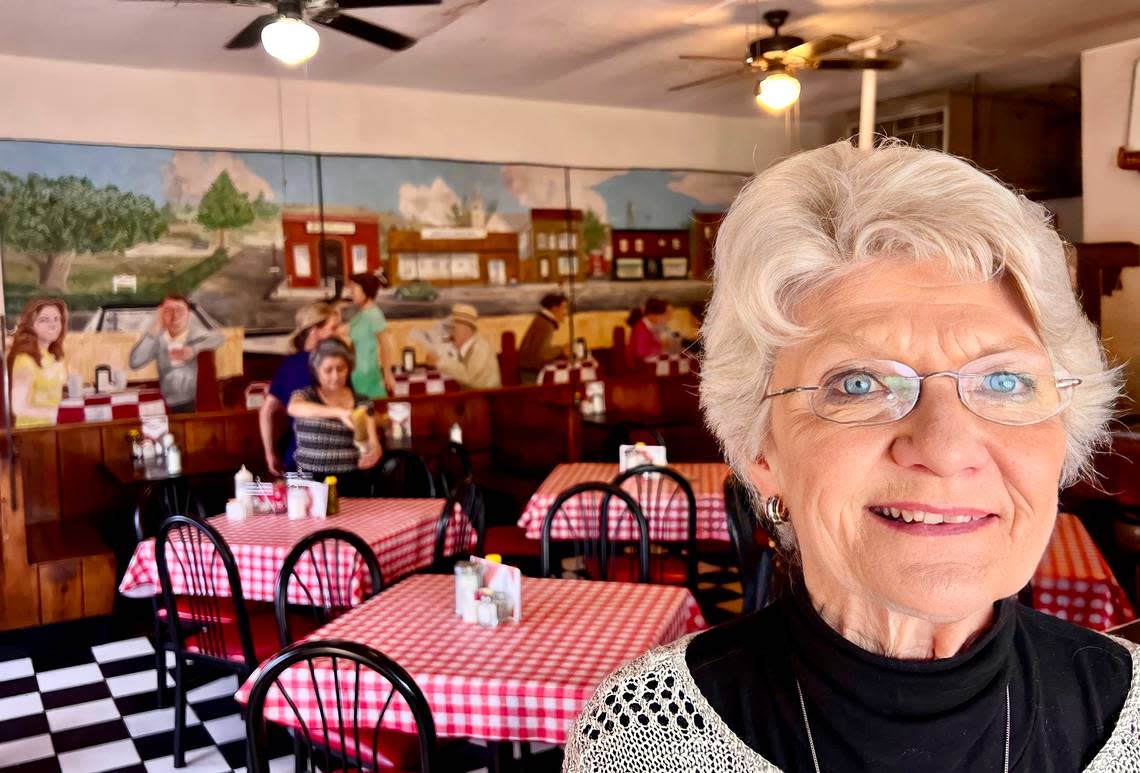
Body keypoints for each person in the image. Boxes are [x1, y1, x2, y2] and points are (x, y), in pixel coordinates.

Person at [563, 141, 1140, 772]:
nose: (946, 449)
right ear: (763, 450)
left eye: (1004, 381)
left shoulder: (1129, 713)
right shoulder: (648, 738)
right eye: (858, 383)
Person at [287, 339, 381, 497]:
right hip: (310, 480)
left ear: (349, 369)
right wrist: (339, 412)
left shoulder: (362, 402)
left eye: (341, 369)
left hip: (351, 480)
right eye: (328, 370)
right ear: (317, 370)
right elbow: (293, 408)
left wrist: (374, 454)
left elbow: (373, 443)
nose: (335, 375)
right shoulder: (305, 396)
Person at [259, 302, 342, 475]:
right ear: (315, 331)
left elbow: (266, 410)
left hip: (297, 458)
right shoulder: (331, 366)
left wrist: (269, 454)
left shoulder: (287, 366)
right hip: (325, 459)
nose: (339, 333)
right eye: (333, 328)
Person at [128, 294, 223, 413]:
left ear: (188, 314)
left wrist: (193, 350)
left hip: (194, 402)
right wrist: (154, 330)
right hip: (166, 404)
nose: (175, 316)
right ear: (161, 314)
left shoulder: (194, 334)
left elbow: (218, 338)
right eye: (168, 311)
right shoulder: (158, 340)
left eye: (180, 310)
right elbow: (134, 362)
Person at [7, 298, 69, 428]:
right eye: (44, 320)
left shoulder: (55, 357)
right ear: (30, 325)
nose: (53, 324)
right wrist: (54, 413)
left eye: (57, 319)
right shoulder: (24, 360)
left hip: (54, 429)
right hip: (32, 432)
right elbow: (17, 407)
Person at [425, 303, 501, 390]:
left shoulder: (480, 348)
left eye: (454, 329)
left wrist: (439, 361)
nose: (451, 334)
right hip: (473, 397)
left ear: (466, 329)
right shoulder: (468, 348)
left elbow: (468, 376)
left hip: (487, 399)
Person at [345, 272, 396, 399]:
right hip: (356, 374)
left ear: (366, 290)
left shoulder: (374, 315)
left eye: (354, 288)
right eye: (351, 288)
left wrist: (387, 374)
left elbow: (385, 346)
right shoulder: (361, 315)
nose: (351, 292)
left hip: (368, 374)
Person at [519, 292, 568, 384]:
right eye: (564, 308)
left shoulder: (542, 320)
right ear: (554, 308)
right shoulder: (546, 325)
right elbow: (541, 354)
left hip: (528, 373)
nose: (566, 312)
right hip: (531, 377)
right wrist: (562, 350)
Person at [626, 297, 679, 365]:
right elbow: (641, 353)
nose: (662, 319)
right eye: (660, 315)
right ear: (652, 315)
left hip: (647, 362)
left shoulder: (649, 326)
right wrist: (661, 345)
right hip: (639, 366)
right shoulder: (641, 328)